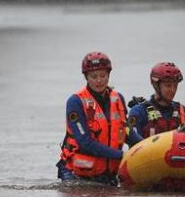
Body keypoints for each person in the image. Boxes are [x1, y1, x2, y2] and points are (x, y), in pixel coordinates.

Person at [57, 52, 141, 185]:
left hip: (108, 174)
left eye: (103, 76)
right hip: (76, 174)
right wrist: (121, 155)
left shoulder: (118, 98)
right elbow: (85, 143)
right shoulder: (75, 102)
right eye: (94, 76)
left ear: (109, 75)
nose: (99, 81)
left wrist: (147, 146)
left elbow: (126, 131)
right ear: (86, 77)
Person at [127, 62, 185, 138]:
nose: (173, 90)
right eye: (168, 86)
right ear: (156, 85)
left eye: (175, 86)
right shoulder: (140, 112)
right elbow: (133, 142)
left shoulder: (181, 111)